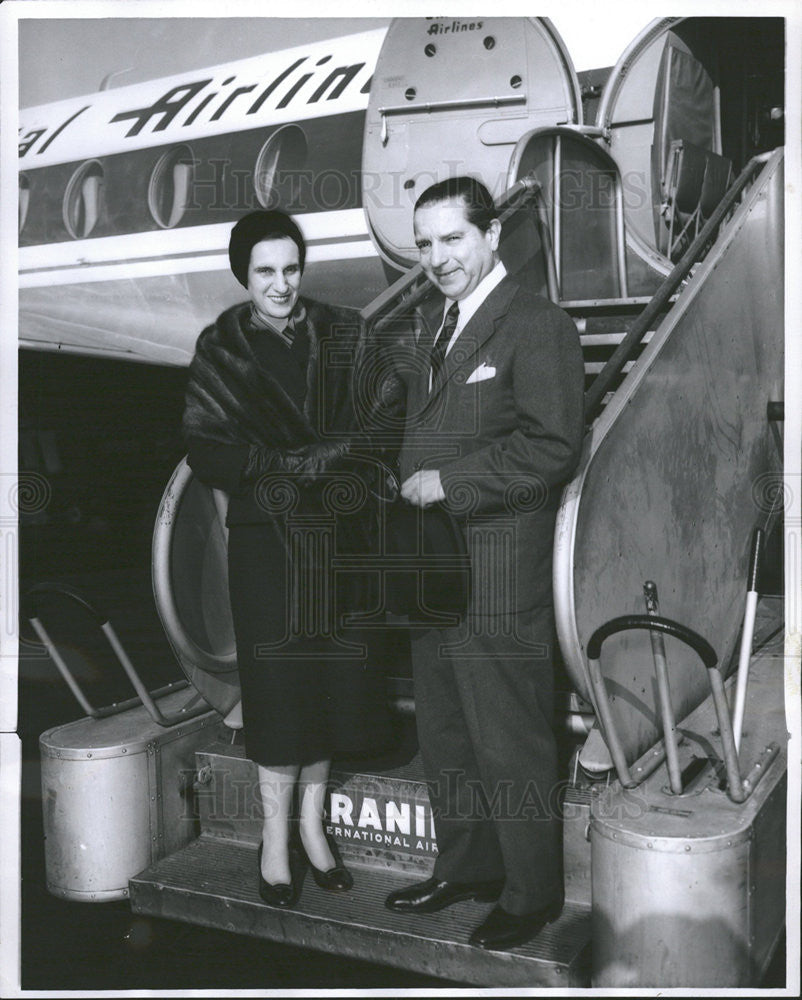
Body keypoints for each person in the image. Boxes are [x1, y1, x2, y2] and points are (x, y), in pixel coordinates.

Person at [384, 177, 585, 950]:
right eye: (425, 243)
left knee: (508, 735)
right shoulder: (435, 323)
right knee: (445, 727)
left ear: (492, 235)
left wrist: (450, 481)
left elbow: (552, 445)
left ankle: (530, 893)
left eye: (452, 240)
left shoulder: (536, 325)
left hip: (498, 567)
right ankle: (466, 865)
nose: (437, 258)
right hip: (434, 564)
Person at [183, 209, 388, 908]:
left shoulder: (346, 333)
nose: (281, 284)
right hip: (267, 542)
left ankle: (312, 826)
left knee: (327, 681)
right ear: (244, 275)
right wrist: (296, 464)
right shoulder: (221, 349)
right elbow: (206, 447)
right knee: (276, 689)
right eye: (265, 271)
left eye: (291, 268)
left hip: (336, 537)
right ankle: (276, 839)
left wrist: (321, 463)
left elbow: (379, 422)